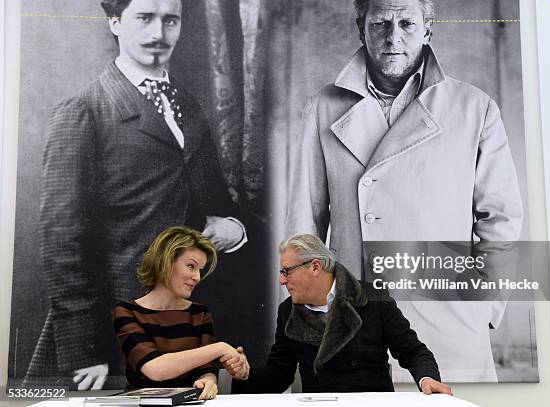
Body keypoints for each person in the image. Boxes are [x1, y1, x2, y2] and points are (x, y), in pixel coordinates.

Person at [285, 0, 523, 382]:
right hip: (353, 325)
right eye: (380, 23)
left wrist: (482, 309)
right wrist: (316, 312)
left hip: (449, 324)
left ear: (428, 29)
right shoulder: (322, 108)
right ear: (360, 27)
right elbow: (303, 226)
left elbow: (501, 222)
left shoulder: (475, 108)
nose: (393, 36)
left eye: (407, 23)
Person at [25, 0, 247, 390]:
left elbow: (216, 204)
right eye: (144, 18)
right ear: (115, 23)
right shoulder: (84, 112)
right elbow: (61, 246)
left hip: (185, 321)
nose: (158, 34)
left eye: (170, 20)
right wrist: (85, 354)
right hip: (114, 327)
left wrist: (234, 227)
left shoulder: (189, 108)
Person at [232, 234, 451, 395]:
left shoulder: (373, 298)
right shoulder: (287, 310)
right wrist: (246, 374)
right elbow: (279, 374)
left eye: (287, 271)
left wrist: (427, 379)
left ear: (315, 267)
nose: (282, 280)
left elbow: (413, 351)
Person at [113, 226, 249, 400]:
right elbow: (155, 369)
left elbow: (206, 369)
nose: (198, 277)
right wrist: (220, 348)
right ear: (166, 261)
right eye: (191, 266)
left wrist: (208, 382)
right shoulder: (127, 312)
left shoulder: (199, 313)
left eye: (200, 269)